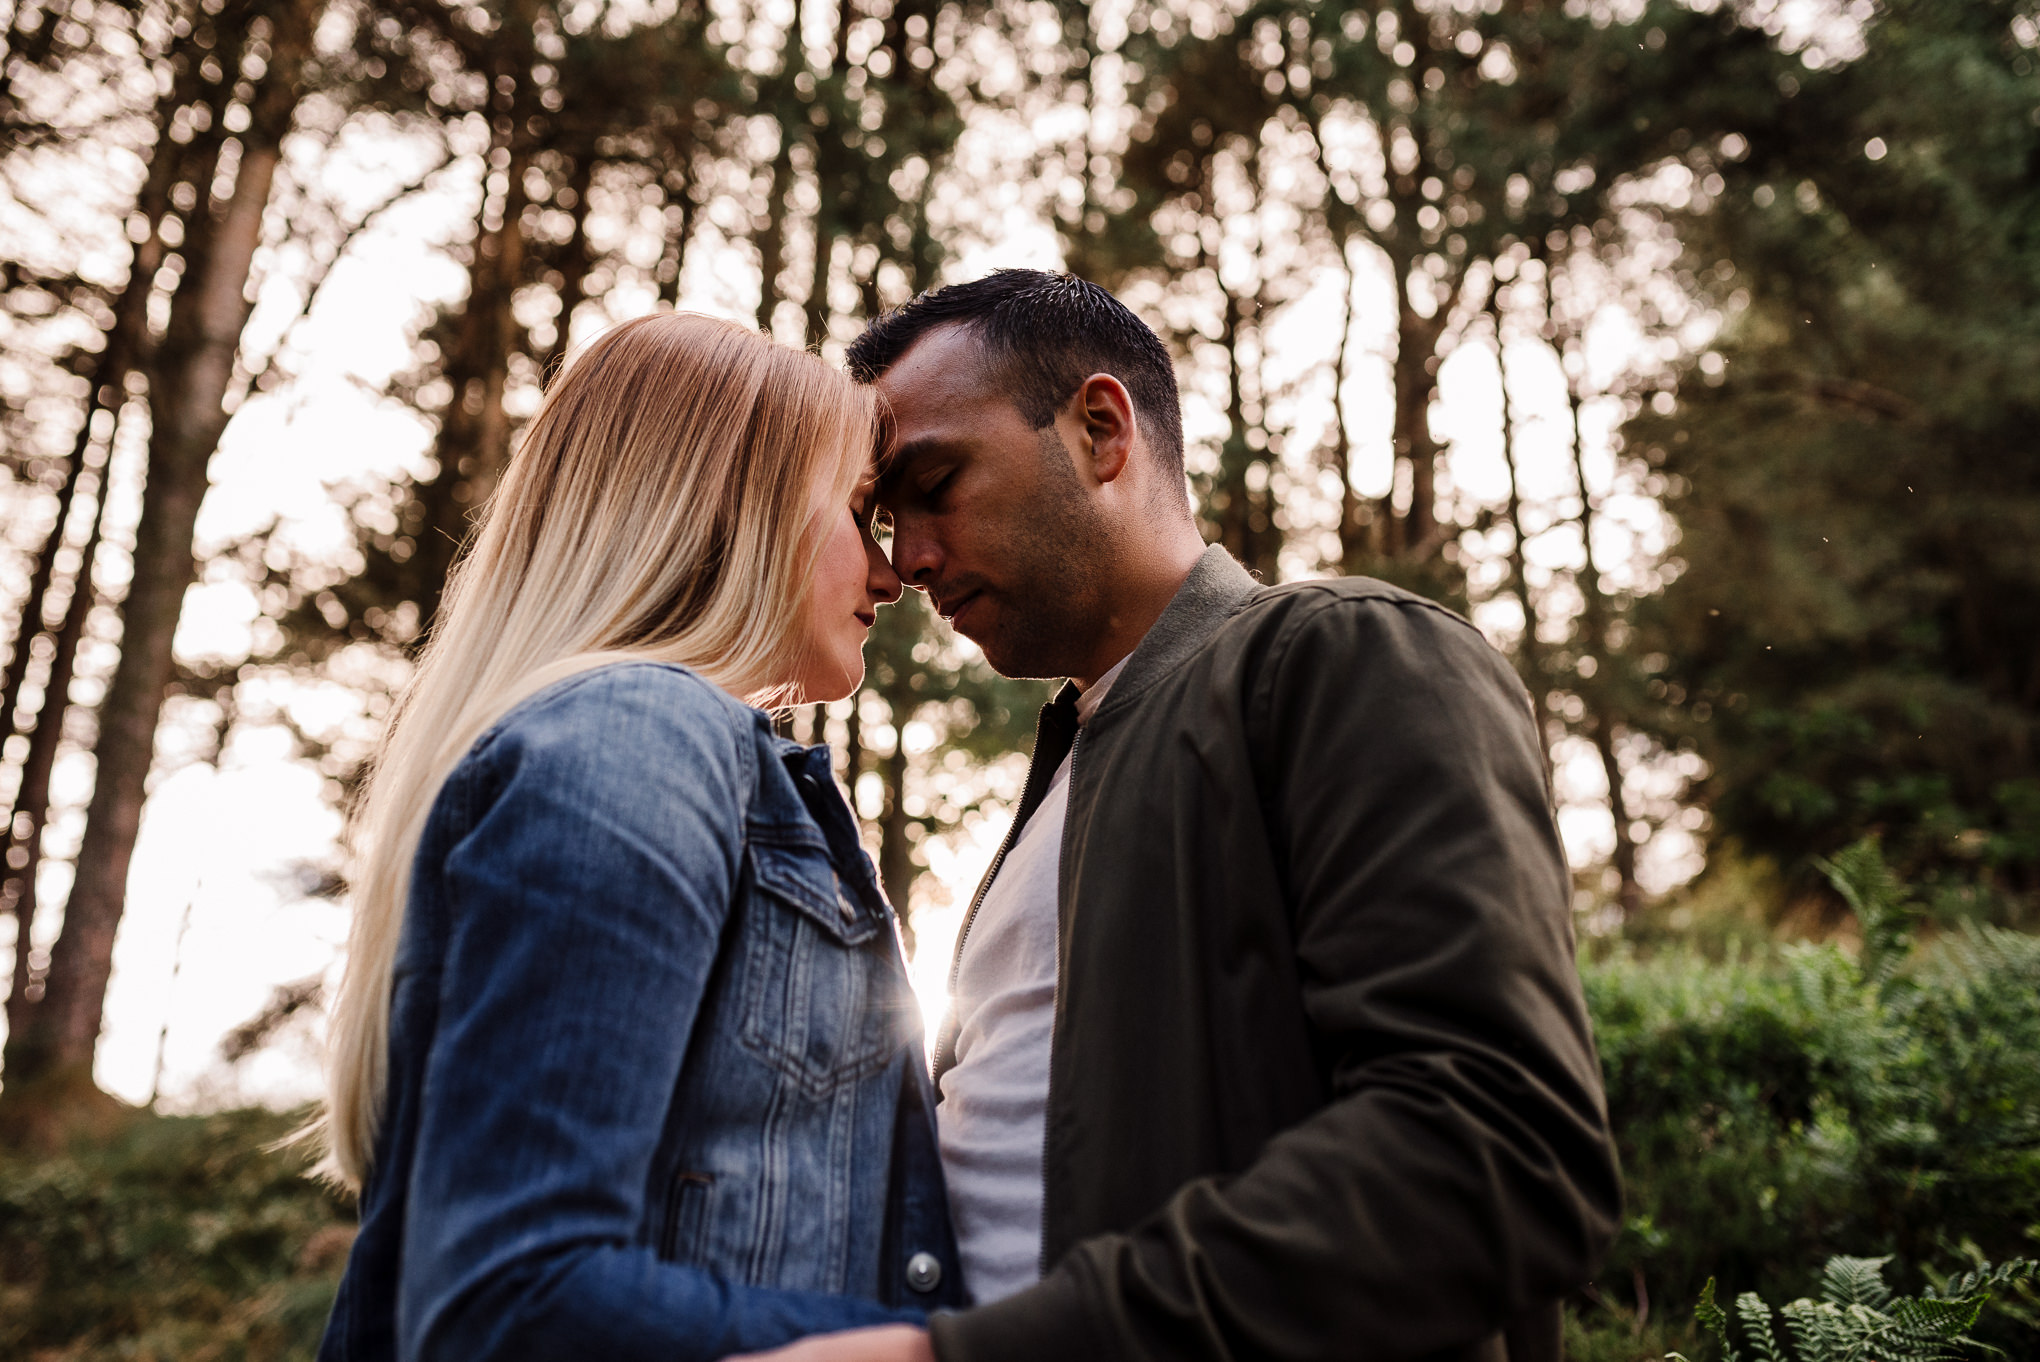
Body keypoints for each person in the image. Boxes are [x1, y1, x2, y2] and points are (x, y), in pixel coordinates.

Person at [746, 271, 1623, 1362]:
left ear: (1100, 429)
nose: (909, 558)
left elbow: (1499, 1149)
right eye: (883, 518)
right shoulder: (1073, 769)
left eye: (936, 483)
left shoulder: (1343, 656)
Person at [311, 313, 966, 1362]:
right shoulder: (638, 737)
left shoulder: (649, 746)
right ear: (729, 510)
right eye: (856, 512)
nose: (891, 576)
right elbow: (513, 1306)